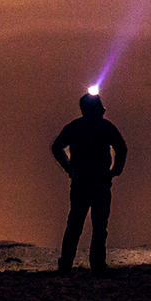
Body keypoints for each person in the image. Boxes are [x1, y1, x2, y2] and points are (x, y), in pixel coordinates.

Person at [50, 91, 127, 275]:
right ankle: (97, 265)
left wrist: (69, 167)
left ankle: (66, 264)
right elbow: (121, 148)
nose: (104, 108)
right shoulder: (105, 127)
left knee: (75, 224)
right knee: (99, 226)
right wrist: (115, 171)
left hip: (81, 182)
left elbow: (56, 147)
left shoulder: (75, 127)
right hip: (99, 182)